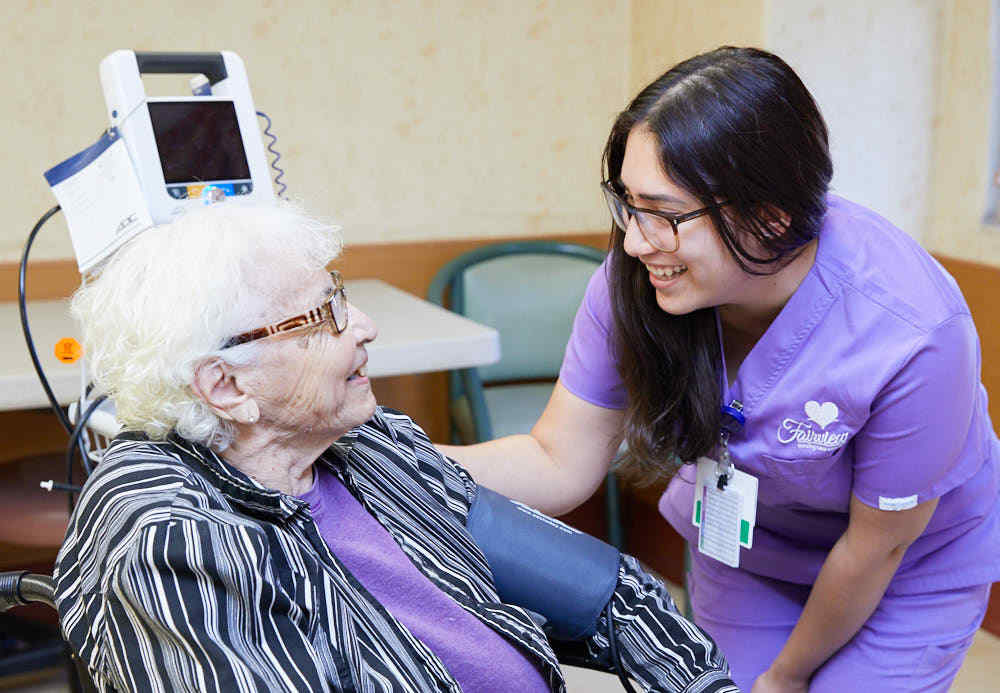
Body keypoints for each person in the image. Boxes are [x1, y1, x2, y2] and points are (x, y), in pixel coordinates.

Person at [439, 46, 1000, 692]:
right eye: (627, 203)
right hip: (751, 547)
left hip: (904, 565)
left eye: (666, 214)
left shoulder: (911, 332)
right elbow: (556, 458)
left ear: (769, 216)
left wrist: (787, 677)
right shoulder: (639, 282)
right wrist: (397, 456)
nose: (634, 240)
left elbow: (876, 547)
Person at [54, 202, 737, 692]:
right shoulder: (177, 544)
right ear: (225, 385)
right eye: (324, 316)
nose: (366, 327)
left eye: (342, 298)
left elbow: (609, 594)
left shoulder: (367, 447)